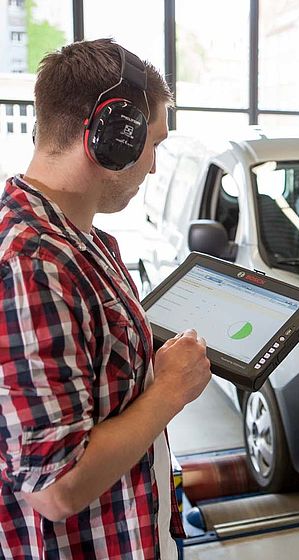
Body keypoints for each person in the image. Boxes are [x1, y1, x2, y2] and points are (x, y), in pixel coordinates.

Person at [0, 39, 211, 559]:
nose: (154, 168)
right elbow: (56, 488)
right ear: (113, 135)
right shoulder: (33, 264)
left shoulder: (81, 241)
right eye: (153, 145)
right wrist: (170, 390)